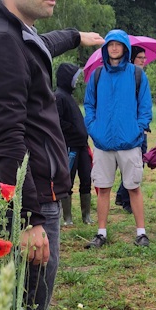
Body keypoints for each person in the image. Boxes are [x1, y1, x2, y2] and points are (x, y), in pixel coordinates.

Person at [0, 0, 103, 310]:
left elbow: (42, 45)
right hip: (30, 200)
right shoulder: (0, 42)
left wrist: (77, 37)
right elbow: (5, 138)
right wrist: (27, 220)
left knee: (27, 308)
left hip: (37, 192)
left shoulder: (15, 33)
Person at [84, 29, 153, 248]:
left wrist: (138, 128)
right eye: (110, 45)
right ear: (106, 48)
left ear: (125, 48)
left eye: (118, 44)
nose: (114, 48)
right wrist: (94, 129)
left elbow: (145, 107)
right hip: (103, 143)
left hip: (129, 142)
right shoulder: (97, 76)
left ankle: (141, 233)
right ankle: (101, 233)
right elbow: (89, 106)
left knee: (133, 187)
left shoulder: (137, 75)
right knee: (103, 188)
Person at [55, 62, 93, 226]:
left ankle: (86, 216)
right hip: (70, 146)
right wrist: (73, 130)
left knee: (86, 179)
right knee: (68, 180)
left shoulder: (68, 97)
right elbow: (58, 121)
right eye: (74, 78)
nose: (76, 81)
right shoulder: (59, 97)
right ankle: (67, 218)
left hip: (82, 145)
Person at [114, 45, 149, 213]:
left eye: (144, 58)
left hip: (139, 130)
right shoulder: (128, 78)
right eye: (140, 57)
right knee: (129, 165)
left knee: (137, 164)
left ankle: (122, 195)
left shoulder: (141, 78)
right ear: (132, 59)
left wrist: (142, 125)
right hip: (127, 130)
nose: (143, 60)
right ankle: (126, 198)